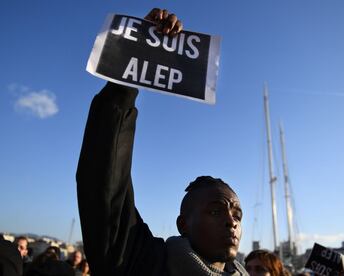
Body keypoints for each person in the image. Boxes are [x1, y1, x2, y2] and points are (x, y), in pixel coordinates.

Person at [76, 7, 248, 276]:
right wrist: (138, 56)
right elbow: (104, 184)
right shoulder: (143, 263)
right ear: (183, 225)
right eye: (215, 212)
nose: (231, 222)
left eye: (237, 215)